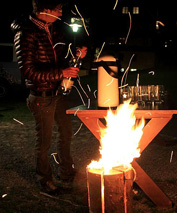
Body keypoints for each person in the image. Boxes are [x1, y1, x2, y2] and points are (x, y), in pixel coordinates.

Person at [11, 0, 87, 194]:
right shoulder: (26, 33)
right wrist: (61, 73)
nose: (61, 14)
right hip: (41, 96)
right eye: (58, 9)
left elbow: (59, 63)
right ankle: (44, 180)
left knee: (66, 133)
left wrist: (74, 57)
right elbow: (28, 71)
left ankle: (66, 172)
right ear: (45, 10)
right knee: (44, 141)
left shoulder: (53, 30)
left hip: (58, 93)